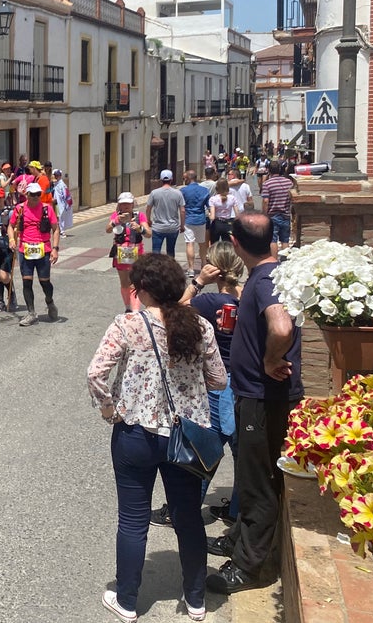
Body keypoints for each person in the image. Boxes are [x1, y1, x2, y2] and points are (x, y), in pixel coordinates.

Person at [87, 253, 225, 623]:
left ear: (143, 291)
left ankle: (128, 601)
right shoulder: (200, 327)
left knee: (132, 519)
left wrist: (108, 408)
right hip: (188, 437)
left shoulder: (127, 325)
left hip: (136, 433)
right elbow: (219, 380)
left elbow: (96, 373)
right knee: (188, 517)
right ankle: (196, 600)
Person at [206, 213, 302, 595]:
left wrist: (269, 359)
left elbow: (280, 326)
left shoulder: (264, 280)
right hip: (255, 396)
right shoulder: (269, 273)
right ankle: (238, 541)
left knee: (259, 480)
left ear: (235, 242)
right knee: (248, 475)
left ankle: (249, 567)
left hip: (264, 399)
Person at [152, 241, 244, 531]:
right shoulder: (245, 299)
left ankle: (183, 510)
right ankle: (238, 510)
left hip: (218, 381)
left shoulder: (208, 302)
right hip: (243, 381)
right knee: (241, 453)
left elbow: (171, 312)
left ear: (214, 268)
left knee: (206, 449)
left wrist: (198, 282)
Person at [7, 181, 60, 327]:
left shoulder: (47, 209)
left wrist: (55, 249)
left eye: (38, 194)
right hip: (26, 250)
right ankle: (31, 313)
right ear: (27, 195)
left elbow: (55, 229)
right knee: (27, 281)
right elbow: (10, 226)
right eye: (33, 195)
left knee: (45, 282)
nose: (36, 197)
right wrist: (11, 239)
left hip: (43, 249)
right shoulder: (20, 209)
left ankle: (49, 301)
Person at [108, 191, 149, 313]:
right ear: (119, 205)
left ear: (133, 205)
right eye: (123, 204)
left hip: (136, 251)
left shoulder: (139, 216)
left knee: (135, 282)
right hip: (121, 251)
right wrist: (115, 221)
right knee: (124, 282)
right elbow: (108, 229)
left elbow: (149, 233)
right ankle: (127, 307)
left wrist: (139, 228)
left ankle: (135, 310)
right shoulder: (116, 216)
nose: (126, 206)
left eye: (128, 204)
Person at [146, 170, 186, 258]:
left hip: (158, 227)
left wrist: (148, 220)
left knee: (156, 251)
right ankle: (170, 269)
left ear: (161, 179)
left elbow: (148, 208)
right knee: (171, 250)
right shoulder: (178, 193)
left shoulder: (154, 193)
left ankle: (155, 269)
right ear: (171, 179)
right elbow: (182, 210)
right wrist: (182, 225)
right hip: (173, 227)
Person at [260, 160, 295, 258]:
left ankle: (274, 261)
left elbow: (266, 201)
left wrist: (264, 214)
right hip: (286, 214)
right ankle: (285, 261)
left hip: (273, 215)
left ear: (268, 170)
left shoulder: (267, 184)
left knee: (273, 240)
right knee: (285, 240)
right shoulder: (289, 182)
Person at [180, 170, 211, 279]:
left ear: (188, 178)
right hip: (201, 219)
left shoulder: (183, 191)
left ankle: (191, 269)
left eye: (185, 179)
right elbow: (209, 206)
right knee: (202, 243)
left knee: (190, 243)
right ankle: (203, 264)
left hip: (189, 219)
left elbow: (182, 207)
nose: (184, 181)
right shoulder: (204, 190)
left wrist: (181, 223)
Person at [205, 180, 240, 246]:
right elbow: (237, 215)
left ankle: (214, 256)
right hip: (228, 223)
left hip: (217, 224)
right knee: (228, 246)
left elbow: (212, 217)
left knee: (214, 245)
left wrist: (208, 215)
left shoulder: (213, 199)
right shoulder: (232, 198)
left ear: (217, 188)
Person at [53, 169, 74, 237]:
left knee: (60, 216)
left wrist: (66, 203)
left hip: (61, 204)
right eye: (55, 175)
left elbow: (65, 194)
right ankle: (59, 230)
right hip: (56, 203)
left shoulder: (62, 184)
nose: (56, 177)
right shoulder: (56, 184)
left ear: (60, 176)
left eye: (58, 175)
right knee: (58, 217)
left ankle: (62, 231)